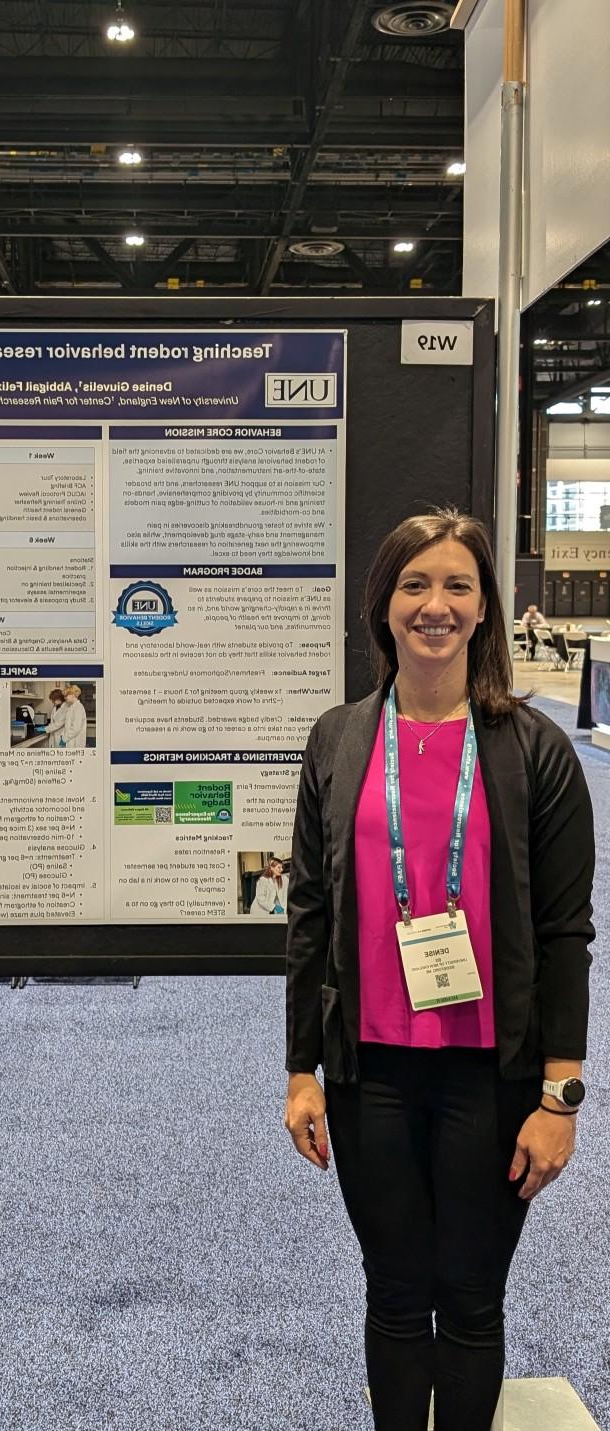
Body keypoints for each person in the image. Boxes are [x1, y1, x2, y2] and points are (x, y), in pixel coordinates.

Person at [284, 509, 594, 1431]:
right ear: (384, 606)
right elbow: (307, 918)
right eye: (415, 585)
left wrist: (560, 1096)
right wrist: (302, 1067)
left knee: (468, 1299)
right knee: (392, 1291)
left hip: (490, 1078)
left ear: (486, 609)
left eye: (459, 585)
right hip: (368, 1072)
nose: (436, 605)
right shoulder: (338, 741)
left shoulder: (535, 752)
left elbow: (565, 932)